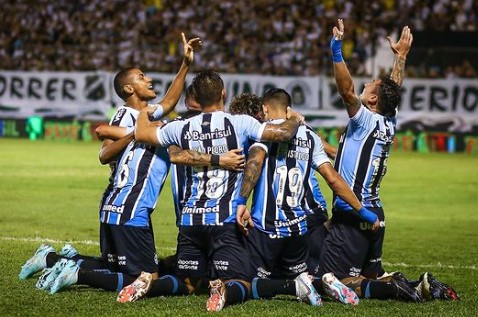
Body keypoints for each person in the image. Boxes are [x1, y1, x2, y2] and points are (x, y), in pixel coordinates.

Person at [18, 33, 207, 294]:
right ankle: (76, 271)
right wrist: (134, 133)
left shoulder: (144, 115)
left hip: (115, 203)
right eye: (142, 77)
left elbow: (168, 102)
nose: (149, 79)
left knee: (115, 267)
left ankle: (51, 259)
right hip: (131, 204)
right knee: (144, 279)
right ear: (129, 89)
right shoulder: (127, 114)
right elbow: (104, 154)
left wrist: (185, 64)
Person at [128, 69, 304, 311]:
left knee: (187, 283)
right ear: (223, 93)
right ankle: (223, 290)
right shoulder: (239, 122)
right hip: (224, 219)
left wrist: (147, 112)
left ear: (197, 99)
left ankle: (149, 285)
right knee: (240, 280)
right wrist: (294, 118)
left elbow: (142, 133)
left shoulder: (182, 127)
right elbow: (283, 132)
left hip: (190, 219)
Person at [316, 19, 458, 302]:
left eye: (372, 86)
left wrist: (336, 51)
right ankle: (420, 285)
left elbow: (345, 91)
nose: (368, 83)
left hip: (354, 215)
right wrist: (400, 57)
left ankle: (394, 289)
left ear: (371, 102)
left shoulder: (364, 120)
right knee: (370, 276)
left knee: (329, 281)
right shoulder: (387, 120)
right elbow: (391, 92)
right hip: (376, 213)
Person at [235, 88, 385, 306]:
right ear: (288, 110)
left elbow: (255, 163)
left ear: (265, 109)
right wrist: (363, 212)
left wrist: (241, 201)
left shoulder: (264, 132)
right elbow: (332, 179)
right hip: (298, 230)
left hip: (266, 229)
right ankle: (319, 283)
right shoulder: (310, 137)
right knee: (294, 275)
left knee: (246, 282)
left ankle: (304, 284)